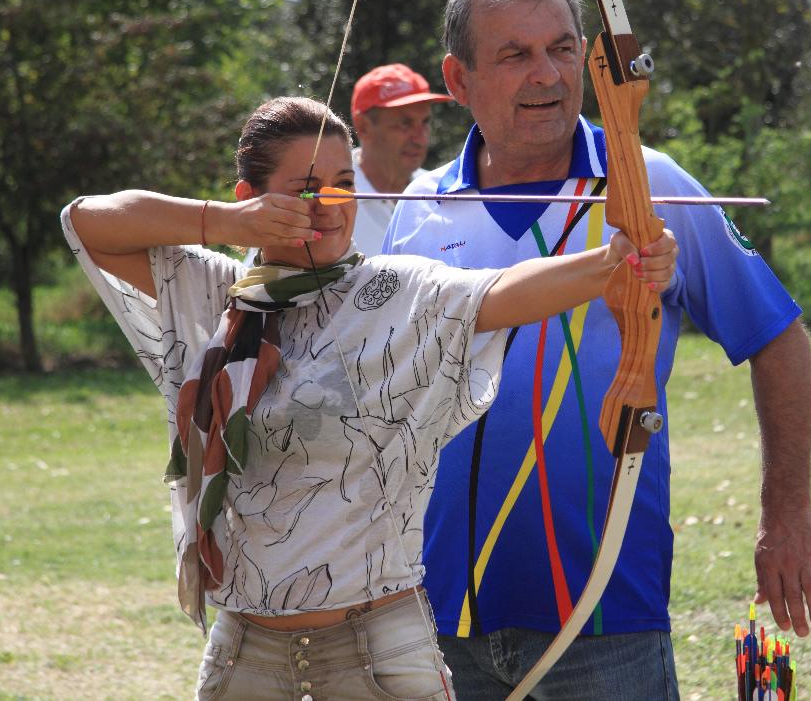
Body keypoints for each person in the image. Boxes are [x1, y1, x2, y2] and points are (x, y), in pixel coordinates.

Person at [60, 95, 677, 701]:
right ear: (253, 198)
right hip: (244, 651)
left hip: (377, 652)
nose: (331, 204)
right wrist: (224, 224)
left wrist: (614, 260)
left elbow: (503, 292)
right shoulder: (216, 293)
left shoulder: (396, 292)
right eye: (307, 188)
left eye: (342, 183)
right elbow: (87, 221)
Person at [382, 0, 811, 700]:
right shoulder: (416, 207)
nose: (549, 75)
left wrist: (785, 512)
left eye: (564, 48)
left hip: (604, 620)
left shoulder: (647, 183)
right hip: (432, 623)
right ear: (459, 79)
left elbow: (776, 334)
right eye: (516, 54)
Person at [349, 63, 454, 254]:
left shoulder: (442, 192)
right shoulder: (329, 197)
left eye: (425, 122)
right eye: (405, 124)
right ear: (363, 126)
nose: (420, 138)